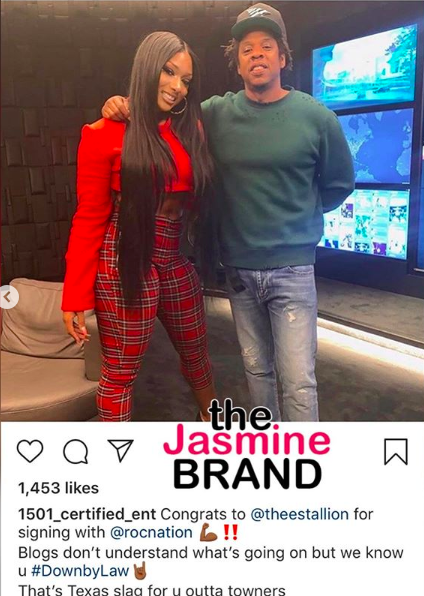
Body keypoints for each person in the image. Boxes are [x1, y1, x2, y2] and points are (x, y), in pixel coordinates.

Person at [101, 3, 355, 421]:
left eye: (266, 46)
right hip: (238, 269)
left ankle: (303, 454)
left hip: (293, 269)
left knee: (298, 381)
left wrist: (297, 216)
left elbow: (339, 183)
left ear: (283, 57)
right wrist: (120, 104)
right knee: (256, 370)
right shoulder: (215, 113)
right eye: (246, 49)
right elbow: (163, 111)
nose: (257, 55)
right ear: (237, 64)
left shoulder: (316, 117)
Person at [62, 31, 216, 422]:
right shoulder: (103, 133)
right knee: (120, 371)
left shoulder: (190, 130)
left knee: (197, 353)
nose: (177, 87)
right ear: (147, 67)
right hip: (124, 255)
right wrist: (75, 294)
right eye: (169, 72)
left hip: (173, 254)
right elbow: (89, 216)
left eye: (186, 80)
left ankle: (216, 426)